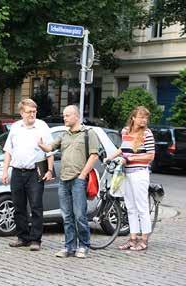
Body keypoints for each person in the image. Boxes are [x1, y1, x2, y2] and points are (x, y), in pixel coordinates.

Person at [38, 105, 99, 258]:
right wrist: (40, 144)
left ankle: (83, 246)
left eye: (67, 115)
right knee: (66, 216)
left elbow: (94, 156)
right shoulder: (64, 135)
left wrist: (82, 175)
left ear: (76, 116)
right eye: (64, 115)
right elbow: (49, 148)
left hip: (78, 180)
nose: (64, 118)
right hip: (63, 180)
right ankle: (69, 246)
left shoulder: (88, 133)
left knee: (79, 215)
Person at [2, 98, 54, 251]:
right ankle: (22, 237)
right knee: (18, 205)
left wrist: (50, 170)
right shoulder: (16, 127)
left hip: (35, 172)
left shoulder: (42, 126)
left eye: (34, 111)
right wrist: (5, 170)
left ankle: (35, 239)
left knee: (36, 206)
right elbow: (8, 150)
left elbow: (50, 150)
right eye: (29, 112)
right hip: (17, 171)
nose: (32, 114)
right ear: (21, 113)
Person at [107, 106, 155, 251]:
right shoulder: (125, 131)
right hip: (126, 173)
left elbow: (150, 156)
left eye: (146, 118)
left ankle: (144, 240)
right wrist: (110, 157)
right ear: (133, 118)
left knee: (142, 207)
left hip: (140, 173)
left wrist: (131, 157)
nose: (143, 120)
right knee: (130, 207)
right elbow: (123, 149)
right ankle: (132, 239)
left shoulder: (147, 134)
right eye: (141, 117)